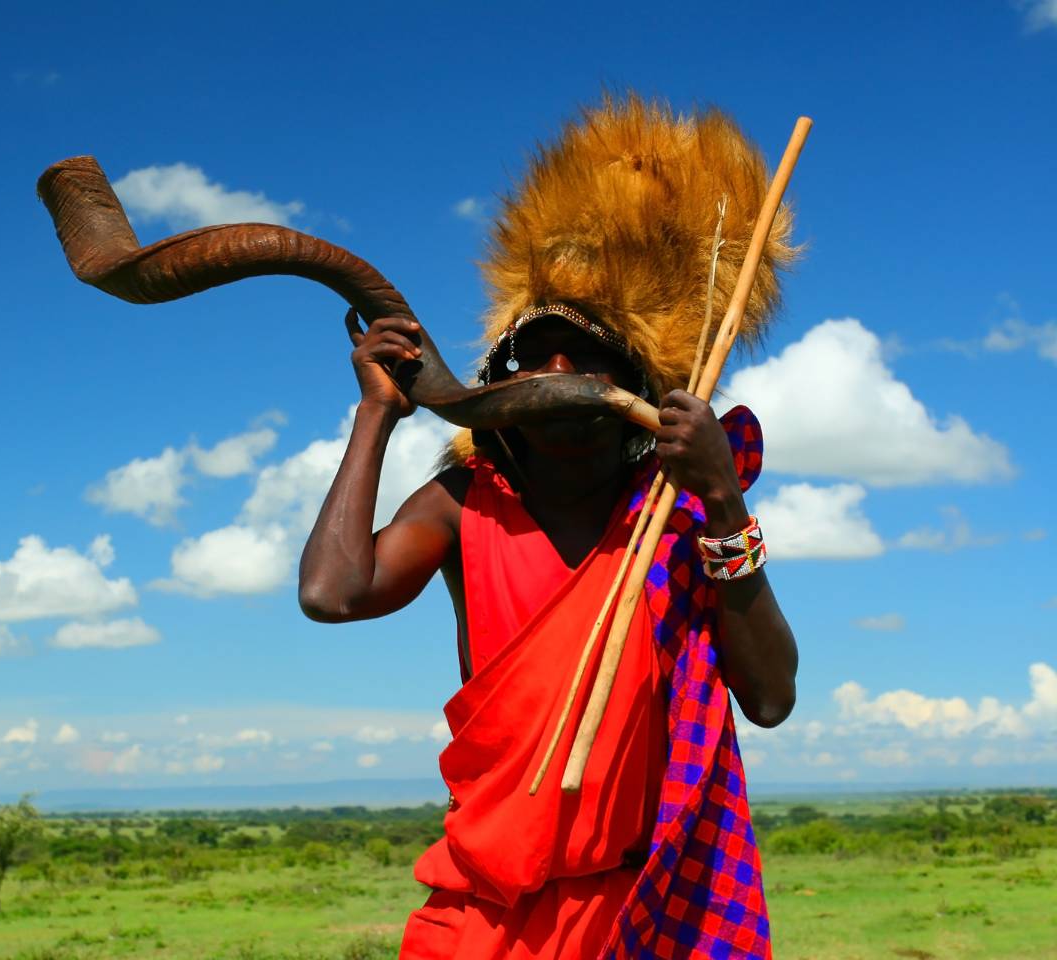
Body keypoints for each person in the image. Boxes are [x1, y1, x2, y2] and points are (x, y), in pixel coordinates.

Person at [298, 95, 799, 960]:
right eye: (535, 358)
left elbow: (770, 699)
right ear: (499, 396)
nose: (558, 372)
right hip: (478, 913)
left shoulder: (674, 516)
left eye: (584, 354)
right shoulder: (465, 502)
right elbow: (333, 594)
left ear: (635, 391)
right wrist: (377, 415)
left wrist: (723, 501)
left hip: (640, 915)